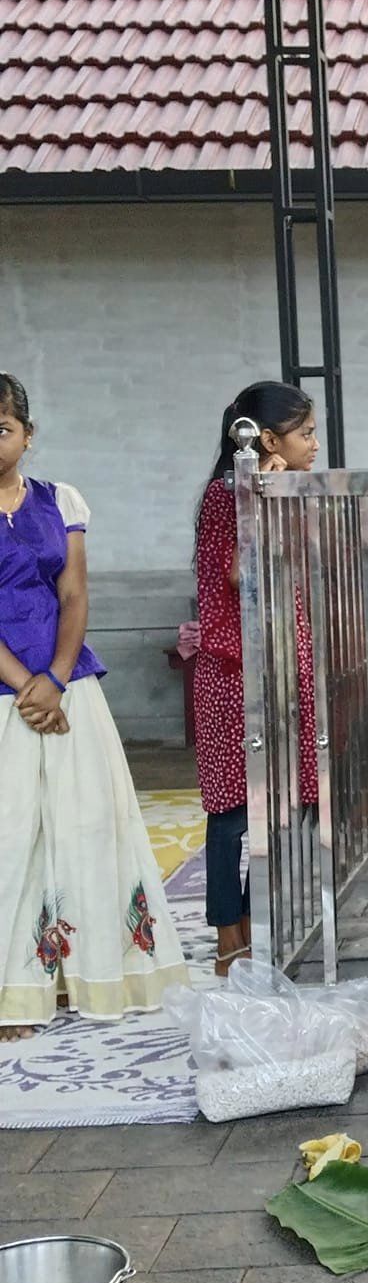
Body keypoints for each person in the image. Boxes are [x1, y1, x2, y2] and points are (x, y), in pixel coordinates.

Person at [0, 372, 186, 1036]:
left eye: (3, 428)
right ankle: (13, 993)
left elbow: (75, 595)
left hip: (69, 686)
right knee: (12, 837)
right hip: (9, 698)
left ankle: (90, 976)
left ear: (26, 433)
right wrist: (28, 685)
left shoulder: (61, 500)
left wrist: (54, 675)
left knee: (87, 826)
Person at [194, 383, 319, 975]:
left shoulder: (272, 490)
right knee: (233, 811)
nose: (315, 444)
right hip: (234, 672)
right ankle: (228, 940)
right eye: (306, 433)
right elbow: (245, 571)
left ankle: (251, 924)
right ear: (268, 440)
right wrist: (257, 496)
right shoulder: (228, 495)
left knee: (281, 804)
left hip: (274, 667)